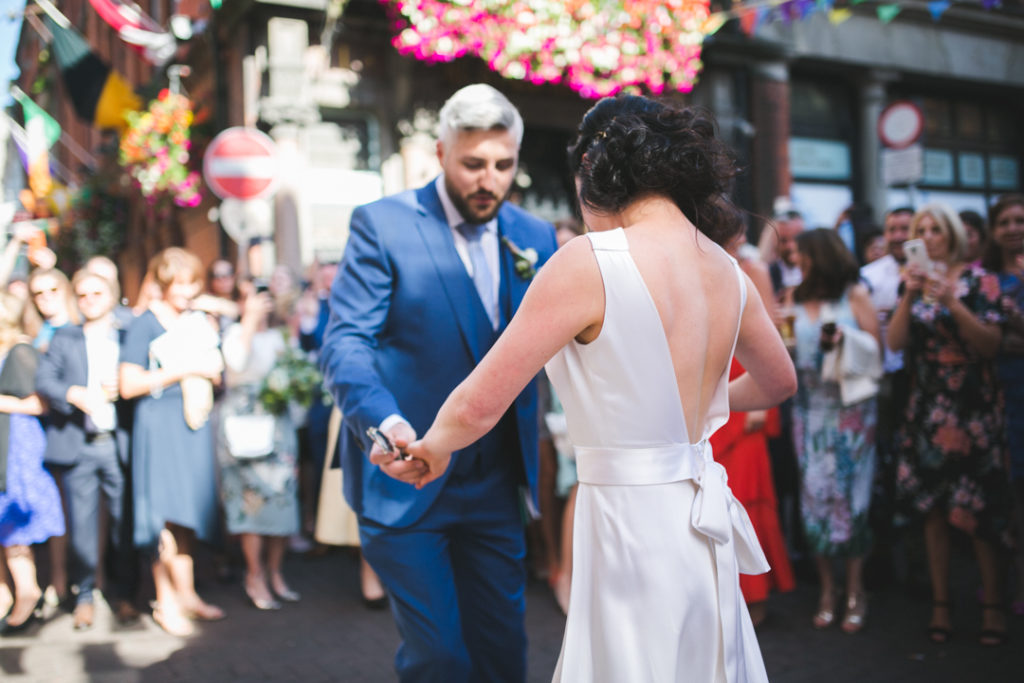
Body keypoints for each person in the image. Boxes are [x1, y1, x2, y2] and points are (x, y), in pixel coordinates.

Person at [406, 95, 796, 682]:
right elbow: (778, 382)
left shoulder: (589, 260)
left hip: (626, 522)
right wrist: (690, 407)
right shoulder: (725, 268)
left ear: (594, 166)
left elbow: (482, 401)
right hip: (699, 518)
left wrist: (431, 448)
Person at [319, 83, 557, 681]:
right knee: (440, 659)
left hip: (498, 483)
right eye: (473, 163)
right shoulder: (382, 224)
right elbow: (345, 343)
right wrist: (390, 427)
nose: (489, 180)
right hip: (407, 478)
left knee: (503, 654)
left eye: (503, 165)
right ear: (441, 152)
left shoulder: (535, 236)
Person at [888, 203, 1010, 646]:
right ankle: (942, 604)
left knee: (979, 511)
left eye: (936, 229)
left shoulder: (981, 281)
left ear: (954, 233)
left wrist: (952, 302)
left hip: (973, 407)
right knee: (934, 510)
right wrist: (908, 294)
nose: (928, 236)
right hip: (929, 407)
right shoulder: (916, 285)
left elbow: (991, 344)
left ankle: (992, 605)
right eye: (922, 230)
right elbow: (896, 343)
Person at [118, 247, 226, 637]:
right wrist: (185, 368)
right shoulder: (144, 324)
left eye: (191, 283)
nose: (186, 291)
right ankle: (164, 601)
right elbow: (128, 385)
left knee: (186, 515)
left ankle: (188, 594)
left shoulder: (198, 321)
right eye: (178, 284)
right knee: (161, 516)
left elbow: (215, 371)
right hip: (158, 425)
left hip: (191, 424)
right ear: (163, 284)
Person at [785, 228, 881, 633]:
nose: (795, 259)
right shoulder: (793, 297)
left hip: (851, 413)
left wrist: (845, 340)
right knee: (814, 498)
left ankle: (856, 588)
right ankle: (828, 588)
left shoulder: (854, 295)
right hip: (808, 412)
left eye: (801, 253)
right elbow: (785, 355)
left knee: (851, 497)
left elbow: (878, 353)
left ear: (817, 256)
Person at [35, 270, 139, 630]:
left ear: (110, 296)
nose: (89, 300)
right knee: (81, 527)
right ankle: (84, 597)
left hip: (118, 442)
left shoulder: (127, 335)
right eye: (82, 295)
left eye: (97, 293)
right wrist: (72, 394)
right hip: (80, 443)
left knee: (123, 524)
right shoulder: (65, 337)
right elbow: (45, 379)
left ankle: (124, 594)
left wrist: (125, 384)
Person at [712, 231, 796, 628]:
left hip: (746, 391)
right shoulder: (695, 271)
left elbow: (771, 334)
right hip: (717, 387)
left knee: (747, 500)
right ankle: (726, 601)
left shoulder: (750, 271)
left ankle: (755, 600)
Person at [218, 285, 300, 610]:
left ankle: (275, 572)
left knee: (281, 500)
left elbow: (296, 372)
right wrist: (249, 322)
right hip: (242, 426)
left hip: (277, 425)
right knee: (251, 502)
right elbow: (235, 363)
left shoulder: (280, 336)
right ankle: (255, 575)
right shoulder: (236, 332)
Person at [0, 292, 64, 635]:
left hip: (17, 447)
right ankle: (7, 594)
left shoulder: (20, 351)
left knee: (14, 524)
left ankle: (28, 593)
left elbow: (39, 404)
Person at [980, 194, 1024, 616]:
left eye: (1019, 220)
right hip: (1000, 393)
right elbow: (988, 344)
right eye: (1005, 222)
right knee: (1008, 489)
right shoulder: (989, 280)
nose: (1013, 228)